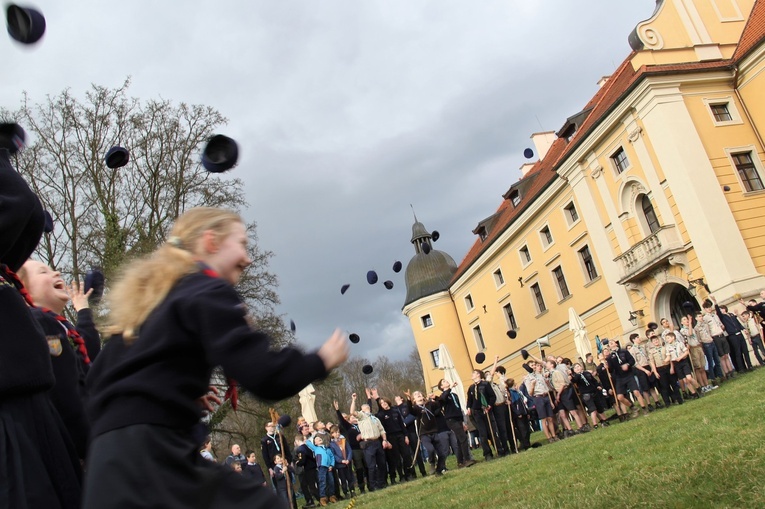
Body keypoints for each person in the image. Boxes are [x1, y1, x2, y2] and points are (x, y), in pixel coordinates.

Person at [82, 207, 349, 509]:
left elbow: (100, 380)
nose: (247, 258)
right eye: (242, 244)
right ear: (211, 242)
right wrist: (321, 359)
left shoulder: (149, 303)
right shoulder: (207, 289)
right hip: (152, 455)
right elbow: (264, 376)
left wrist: (174, 392)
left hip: (107, 463)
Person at [0, 135, 83, 509]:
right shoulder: (42, 321)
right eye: (42, 270)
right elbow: (21, 208)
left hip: (34, 419)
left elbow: (25, 215)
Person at [17, 261, 102, 460]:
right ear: (24, 290)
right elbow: (65, 393)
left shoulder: (58, 326)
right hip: (72, 447)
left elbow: (86, 355)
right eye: (43, 272)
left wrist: (83, 309)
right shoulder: (37, 326)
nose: (56, 272)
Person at [349, 392, 388, 491]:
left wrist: (384, 440)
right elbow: (352, 412)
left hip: (377, 442)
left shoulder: (374, 418)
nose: (367, 409)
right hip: (368, 443)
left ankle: (382, 482)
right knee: (371, 466)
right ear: (362, 409)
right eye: (365, 408)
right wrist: (353, 400)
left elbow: (382, 430)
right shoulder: (361, 417)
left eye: (368, 408)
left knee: (382, 463)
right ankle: (372, 485)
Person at [406, 390, 450, 475]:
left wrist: (436, 397)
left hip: (434, 431)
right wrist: (408, 399)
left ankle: (439, 470)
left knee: (442, 453)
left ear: (423, 397)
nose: (418, 394)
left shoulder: (430, 405)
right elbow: (410, 410)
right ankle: (432, 462)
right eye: (415, 394)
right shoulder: (416, 408)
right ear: (414, 400)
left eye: (419, 393)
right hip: (424, 434)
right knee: (430, 449)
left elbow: (440, 403)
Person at [437, 379, 474, 467]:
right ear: (442, 387)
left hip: (458, 419)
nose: (447, 382)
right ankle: (467, 459)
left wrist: (463, 421)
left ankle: (460, 461)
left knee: (458, 440)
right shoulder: (443, 396)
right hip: (451, 420)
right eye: (444, 382)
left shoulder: (454, 395)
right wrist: (450, 388)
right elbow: (443, 399)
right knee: (463, 438)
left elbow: (458, 408)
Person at [465, 368, 502, 459]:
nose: (472, 374)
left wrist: (489, 406)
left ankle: (499, 450)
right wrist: (469, 407)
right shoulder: (471, 387)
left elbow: (492, 396)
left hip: (486, 411)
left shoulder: (485, 384)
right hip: (477, 413)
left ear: (478, 375)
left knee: (491, 432)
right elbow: (469, 400)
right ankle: (487, 453)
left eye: (474, 373)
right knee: (483, 434)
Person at [334, 400, 367, 493]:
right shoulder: (349, 427)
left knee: (368, 466)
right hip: (355, 449)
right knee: (359, 468)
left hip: (366, 447)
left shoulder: (361, 424)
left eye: (355, 417)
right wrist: (337, 410)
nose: (354, 418)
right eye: (352, 417)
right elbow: (342, 420)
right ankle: (362, 487)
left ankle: (372, 484)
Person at [524, 362, 557, 443]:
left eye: (534, 365)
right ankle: (549, 437)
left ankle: (554, 435)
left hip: (545, 396)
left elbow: (546, 388)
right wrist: (533, 385)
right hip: (538, 398)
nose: (534, 366)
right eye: (532, 365)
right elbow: (530, 393)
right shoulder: (527, 378)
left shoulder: (540, 375)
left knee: (550, 418)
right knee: (544, 419)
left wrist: (551, 401)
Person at [570, 363, 609, 429]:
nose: (577, 368)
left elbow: (594, 381)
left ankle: (605, 420)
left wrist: (598, 386)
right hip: (586, 394)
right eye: (575, 368)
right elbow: (574, 380)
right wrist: (571, 375)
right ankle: (595, 424)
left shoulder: (587, 373)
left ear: (581, 367)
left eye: (578, 366)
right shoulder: (577, 376)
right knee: (593, 409)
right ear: (574, 370)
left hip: (594, 392)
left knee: (599, 408)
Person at [304, 434, 337, 506]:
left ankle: (332, 496)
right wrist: (307, 437)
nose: (318, 439)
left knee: (331, 481)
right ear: (315, 443)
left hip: (329, 467)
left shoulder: (327, 449)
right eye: (316, 439)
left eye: (319, 438)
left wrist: (331, 465)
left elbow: (332, 457)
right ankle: (323, 498)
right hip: (321, 467)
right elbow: (308, 443)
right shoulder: (316, 448)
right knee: (323, 482)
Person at [329, 426, 355, 499]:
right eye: (336, 432)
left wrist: (348, 459)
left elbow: (349, 450)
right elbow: (333, 454)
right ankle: (345, 492)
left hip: (347, 463)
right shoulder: (331, 444)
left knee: (350, 477)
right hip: (340, 465)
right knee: (343, 479)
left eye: (338, 432)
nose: (337, 434)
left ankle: (352, 490)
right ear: (332, 434)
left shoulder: (343, 440)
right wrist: (341, 460)